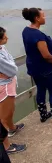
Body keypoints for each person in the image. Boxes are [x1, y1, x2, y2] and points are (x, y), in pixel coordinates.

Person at [22, 8, 52, 126]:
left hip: (33, 68)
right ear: (37, 18)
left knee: (40, 90)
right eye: (43, 16)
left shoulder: (26, 31)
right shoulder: (38, 36)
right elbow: (46, 55)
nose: (45, 18)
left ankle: (43, 115)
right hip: (45, 69)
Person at [0, 27, 26, 155]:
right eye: (4, 37)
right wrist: (11, 68)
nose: (7, 38)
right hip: (4, 87)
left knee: (10, 110)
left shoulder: (2, 48)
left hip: (7, 82)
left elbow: (10, 64)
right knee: (3, 117)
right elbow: (12, 70)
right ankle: (6, 146)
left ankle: (12, 128)